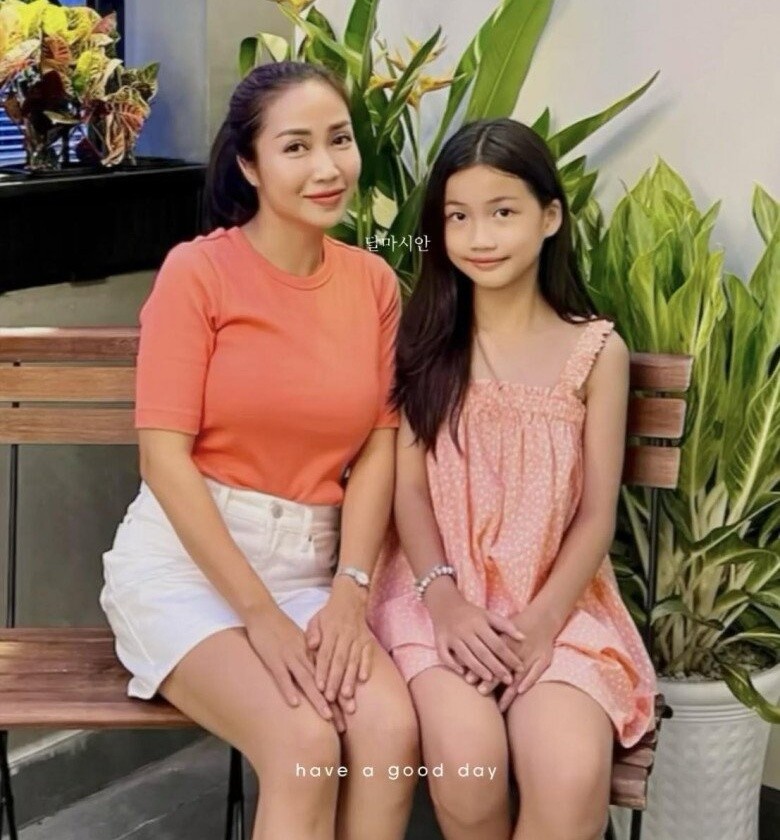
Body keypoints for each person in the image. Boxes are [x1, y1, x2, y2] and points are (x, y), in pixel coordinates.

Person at [100, 61, 418, 840]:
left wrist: (350, 594)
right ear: (249, 164)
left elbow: (380, 448)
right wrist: (259, 616)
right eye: (296, 147)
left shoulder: (375, 284)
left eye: (339, 140)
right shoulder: (198, 273)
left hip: (313, 571)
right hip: (185, 566)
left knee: (389, 735)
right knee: (306, 746)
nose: (327, 167)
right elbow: (162, 460)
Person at [368, 118, 656, 840]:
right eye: (458, 217)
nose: (480, 237)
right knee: (468, 769)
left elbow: (596, 515)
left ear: (549, 217)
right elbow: (408, 492)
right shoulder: (424, 343)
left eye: (503, 212)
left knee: (569, 774)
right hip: (438, 599)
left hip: (556, 605)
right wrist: (446, 602)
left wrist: (541, 622)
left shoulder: (596, 353)